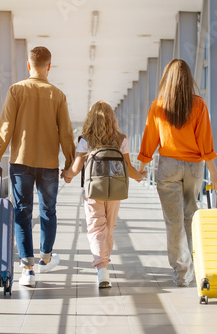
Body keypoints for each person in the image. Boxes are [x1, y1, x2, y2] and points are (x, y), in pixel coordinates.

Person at [0, 46, 76, 287]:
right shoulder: (58, 95)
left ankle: (27, 271)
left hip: (21, 162)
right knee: (48, 210)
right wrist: (69, 165)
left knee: (23, 213)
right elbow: (66, 133)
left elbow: (6, 126)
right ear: (49, 66)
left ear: (28, 65)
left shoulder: (16, 90)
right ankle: (45, 258)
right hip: (48, 164)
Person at [137, 59, 217, 287]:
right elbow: (206, 143)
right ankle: (197, 266)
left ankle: (182, 273)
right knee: (190, 216)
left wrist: (141, 169)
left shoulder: (158, 106)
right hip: (194, 167)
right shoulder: (199, 105)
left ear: (168, 79)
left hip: (168, 166)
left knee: (173, 221)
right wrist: (214, 174)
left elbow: (150, 141)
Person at [62, 101, 146, 288]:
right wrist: (139, 176)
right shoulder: (120, 139)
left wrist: (66, 174)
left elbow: (76, 169)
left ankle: (102, 269)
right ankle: (104, 265)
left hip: (93, 190)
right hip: (115, 190)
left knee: (96, 227)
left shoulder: (86, 140)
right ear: (111, 118)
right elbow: (128, 168)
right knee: (109, 226)